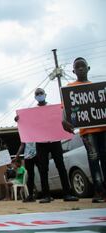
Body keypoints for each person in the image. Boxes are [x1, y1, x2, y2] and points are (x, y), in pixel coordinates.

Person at [18, 88, 78, 203]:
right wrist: (19, 119)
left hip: (55, 141)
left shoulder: (54, 108)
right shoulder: (33, 111)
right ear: (35, 96)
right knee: (43, 169)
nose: (39, 95)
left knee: (61, 166)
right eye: (37, 94)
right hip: (41, 143)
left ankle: (67, 194)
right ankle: (46, 195)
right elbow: (28, 123)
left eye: (41, 93)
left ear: (45, 94)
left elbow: (62, 122)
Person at [62, 57, 106, 203]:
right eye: (77, 66)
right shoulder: (70, 88)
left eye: (83, 66)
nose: (80, 68)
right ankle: (99, 191)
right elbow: (66, 110)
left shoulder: (98, 88)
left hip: (103, 129)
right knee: (94, 160)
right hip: (87, 133)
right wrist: (64, 120)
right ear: (73, 71)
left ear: (88, 68)